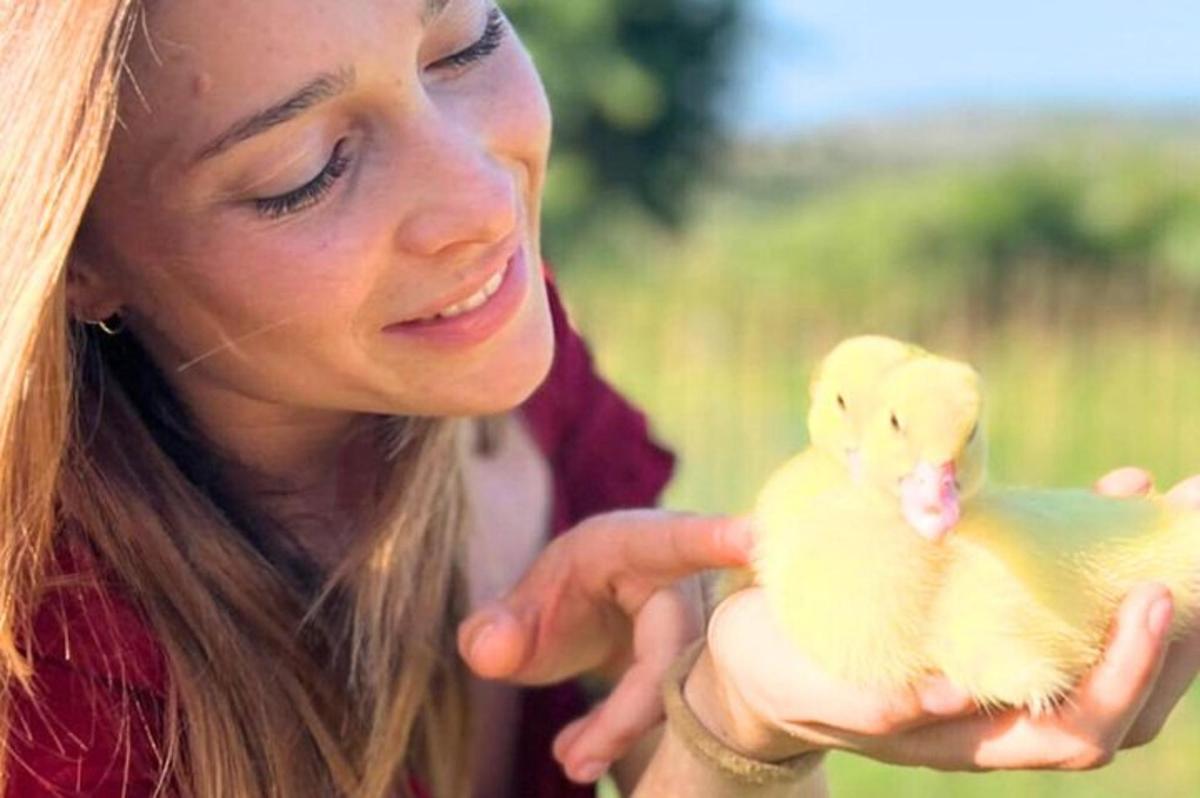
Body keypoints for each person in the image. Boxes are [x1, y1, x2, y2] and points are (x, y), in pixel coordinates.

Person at [1, 2, 1198, 797]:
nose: (481, 195)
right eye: (306, 171)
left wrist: (740, 715)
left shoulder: (529, 389)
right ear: (76, 255)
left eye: (466, 41)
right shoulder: (41, 697)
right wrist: (729, 735)